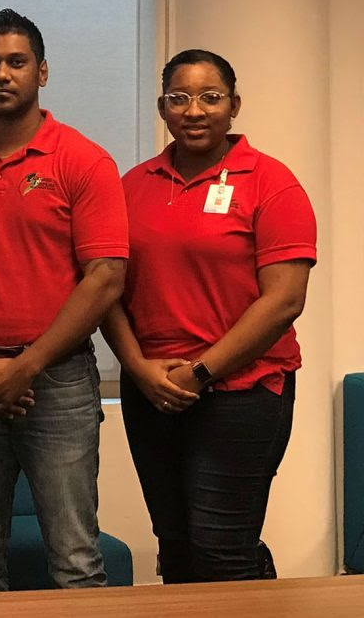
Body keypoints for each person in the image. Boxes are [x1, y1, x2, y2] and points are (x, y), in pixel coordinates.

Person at [0, 9, 128, 591]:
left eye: (17, 62)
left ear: (42, 71)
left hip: (56, 381)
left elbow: (105, 277)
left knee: (75, 557)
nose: (2, 74)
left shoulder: (82, 160)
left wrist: (26, 366)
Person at [100, 49, 315, 583]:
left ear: (234, 105)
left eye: (210, 97)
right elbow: (105, 289)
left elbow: (284, 299)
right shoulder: (131, 186)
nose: (194, 110)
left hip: (243, 392)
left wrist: (200, 372)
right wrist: (137, 367)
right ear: (162, 108)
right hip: (151, 391)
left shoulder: (272, 183)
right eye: (179, 98)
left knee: (221, 546)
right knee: (174, 546)